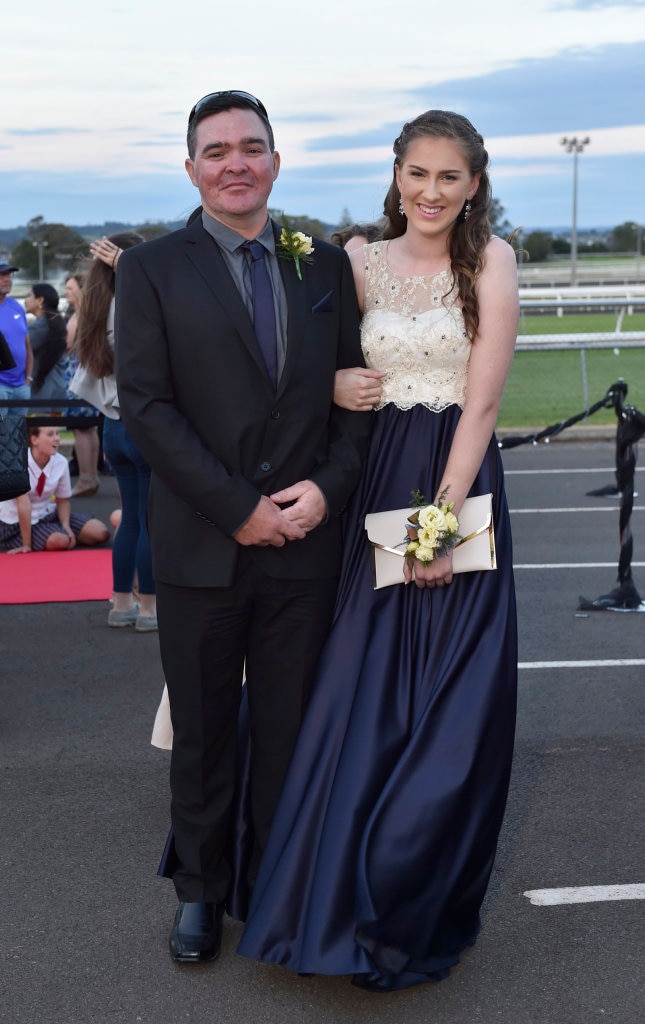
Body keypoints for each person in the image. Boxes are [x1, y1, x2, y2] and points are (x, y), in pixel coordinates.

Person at [238, 109, 519, 992]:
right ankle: (324, 897)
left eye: (448, 176)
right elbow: (300, 370)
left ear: (473, 183)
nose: (430, 192)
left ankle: (409, 894)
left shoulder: (492, 261)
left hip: (449, 485)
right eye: (416, 173)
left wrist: (440, 522)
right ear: (394, 175)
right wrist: (330, 380)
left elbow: (479, 407)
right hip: (366, 480)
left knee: (448, 704)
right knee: (355, 686)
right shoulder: (355, 260)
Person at [114, 89, 372, 965]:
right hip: (200, 547)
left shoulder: (324, 267)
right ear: (191, 168)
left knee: (291, 730)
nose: (235, 162)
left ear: (275, 159)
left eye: (251, 147)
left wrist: (326, 494)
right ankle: (200, 890)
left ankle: (279, 883)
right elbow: (146, 408)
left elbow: (353, 401)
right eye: (217, 150)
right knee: (202, 730)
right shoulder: (150, 268)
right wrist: (239, 508)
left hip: (306, 545)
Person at [71, 232, 158, 632]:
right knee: (149, 520)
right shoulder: (133, 305)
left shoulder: (95, 307)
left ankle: (121, 601)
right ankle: (150, 608)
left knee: (131, 520)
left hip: (113, 427)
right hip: (143, 425)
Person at [0, 424, 109, 552]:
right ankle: (50, 535)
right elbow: (23, 505)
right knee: (59, 541)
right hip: (16, 522)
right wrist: (26, 545)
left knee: (101, 533)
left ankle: (55, 532)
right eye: (50, 434)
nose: (57, 438)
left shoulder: (61, 462)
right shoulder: (18, 463)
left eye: (57, 434)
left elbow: (63, 500)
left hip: (47, 514)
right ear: (34, 440)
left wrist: (66, 526)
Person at [62, 272, 102, 497]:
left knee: (80, 427)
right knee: (88, 427)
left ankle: (86, 478)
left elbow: (68, 344)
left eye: (70, 288)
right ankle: (91, 475)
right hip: (87, 377)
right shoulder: (90, 312)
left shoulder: (82, 315)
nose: (66, 292)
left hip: (78, 377)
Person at [24, 283, 67, 414]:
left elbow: (19, 350)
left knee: (39, 432)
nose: (26, 300)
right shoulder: (55, 321)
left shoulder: (41, 326)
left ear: (40, 300)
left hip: (41, 393)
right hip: (55, 390)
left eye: (29, 296)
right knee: (51, 433)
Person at [0, 259, 33, 416]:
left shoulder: (16, 307)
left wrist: (28, 379)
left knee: (17, 438)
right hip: (1, 387)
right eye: (2, 275)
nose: (8, 279)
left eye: (9, 275)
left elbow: (27, 346)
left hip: (21, 387)